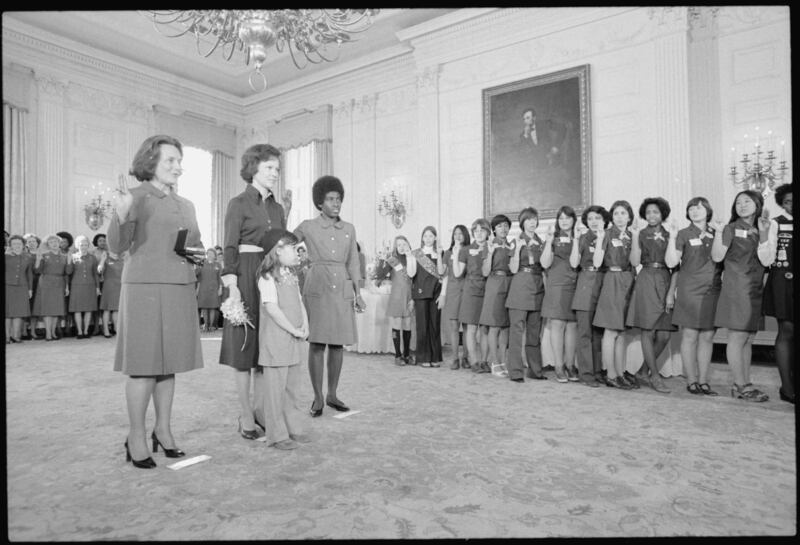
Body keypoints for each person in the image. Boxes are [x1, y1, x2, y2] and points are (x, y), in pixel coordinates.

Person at [109, 134, 204, 468]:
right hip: (144, 288)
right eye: (171, 161)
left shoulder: (187, 205)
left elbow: (194, 247)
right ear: (151, 162)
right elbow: (116, 247)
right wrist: (121, 215)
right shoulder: (133, 197)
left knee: (168, 365)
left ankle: (162, 430)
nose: (178, 167)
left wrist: (200, 259)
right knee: (144, 366)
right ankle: (136, 435)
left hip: (179, 288)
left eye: (180, 161)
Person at [219, 143, 291, 440]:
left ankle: (262, 412)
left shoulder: (277, 206)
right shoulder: (238, 203)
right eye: (269, 168)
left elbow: (281, 246)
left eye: (277, 168)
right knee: (243, 350)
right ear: (253, 169)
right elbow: (230, 246)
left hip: (269, 276)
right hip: (245, 276)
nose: (275, 173)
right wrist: (232, 287)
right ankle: (246, 415)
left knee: (266, 349)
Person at [294, 175, 365, 417]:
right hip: (318, 285)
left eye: (339, 199)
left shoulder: (349, 229)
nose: (336, 203)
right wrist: (286, 210)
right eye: (331, 199)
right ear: (319, 202)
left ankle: (332, 394)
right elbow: (285, 243)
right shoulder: (307, 226)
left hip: (342, 285)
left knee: (337, 344)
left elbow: (354, 262)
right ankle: (317, 397)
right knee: (317, 343)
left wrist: (358, 292)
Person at [712, 190, 773, 402]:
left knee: (748, 338)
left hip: (755, 287)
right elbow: (717, 256)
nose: (742, 205)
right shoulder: (731, 228)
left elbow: (767, 261)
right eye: (738, 202)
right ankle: (740, 384)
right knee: (737, 337)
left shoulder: (764, 227)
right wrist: (719, 234)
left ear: (758, 204)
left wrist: (764, 233)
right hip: (737, 287)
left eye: (747, 201)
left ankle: (745, 382)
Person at [256, 229, 311, 450]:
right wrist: (293, 329)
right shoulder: (267, 276)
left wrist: (305, 324)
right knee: (275, 391)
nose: (297, 251)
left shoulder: (291, 274)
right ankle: (277, 435)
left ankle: (294, 427)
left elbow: (299, 302)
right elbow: (272, 309)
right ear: (278, 250)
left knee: (292, 388)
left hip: (294, 339)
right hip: (277, 340)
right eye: (292, 247)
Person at [665, 196, 721, 397]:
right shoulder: (683, 233)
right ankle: (691, 381)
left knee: (707, 336)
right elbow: (672, 263)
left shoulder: (717, 232)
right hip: (689, 290)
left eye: (699, 208)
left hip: (712, 290)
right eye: (691, 208)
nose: (695, 211)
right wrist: (671, 237)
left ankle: (704, 381)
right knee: (689, 335)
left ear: (708, 210)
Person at [625, 197, 678, 393]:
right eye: (648, 212)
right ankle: (654, 377)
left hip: (665, 280)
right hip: (646, 279)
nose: (652, 215)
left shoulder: (671, 233)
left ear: (663, 213)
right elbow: (635, 261)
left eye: (655, 212)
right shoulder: (640, 233)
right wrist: (636, 238)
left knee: (664, 335)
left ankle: (642, 371)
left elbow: (677, 267)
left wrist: (671, 293)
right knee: (647, 331)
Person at [592, 200, 636, 390]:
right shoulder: (607, 234)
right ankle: (610, 374)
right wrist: (601, 239)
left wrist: (635, 238)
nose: (620, 217)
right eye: (616, 213)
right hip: (612, 279)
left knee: (622, 331)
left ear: (629, 216)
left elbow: (636, 260)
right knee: (610, 330)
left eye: (623, 213)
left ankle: (620, 372)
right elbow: (597, 262)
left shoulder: (632, 235)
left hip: (629, 279)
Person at [570, 205, 610, 387]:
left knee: (598, 333)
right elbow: (574, 262)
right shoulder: (582, 238)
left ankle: (597, 370)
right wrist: (575, 241)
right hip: (586, 283)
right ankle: (586, 374)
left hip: (604, 283)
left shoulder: (609, 237)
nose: (594, 222)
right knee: (585, 332)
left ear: (604, 220)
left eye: (598, 218)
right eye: (591, 218)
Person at [506, 207, 546, 382]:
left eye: (534, 219)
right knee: (516, 332)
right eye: (528, 219)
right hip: (520, 285)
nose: (532, 222)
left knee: (534, 332)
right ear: (522, 222)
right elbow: (513, 268)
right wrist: (517, 251)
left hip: (537, 286)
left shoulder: (541, 242)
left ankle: (535, 370)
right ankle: (515, 371)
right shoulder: (516, 241)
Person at [540, 205, 579, 383]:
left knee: (572, 326)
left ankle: (570, 365)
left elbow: (577, 262)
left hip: (575, 284)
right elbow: (545, 263)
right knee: (557, 325)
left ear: (573, 220)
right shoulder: (552, 238)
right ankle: (558, 366)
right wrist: (548, 242)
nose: (564, 221)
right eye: (561, 218)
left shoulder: (580, 238)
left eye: (568, 217)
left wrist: (577, 240)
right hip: (556, 284)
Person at [762, 183, 793, 403]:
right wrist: (763, 235)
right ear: (782, 203)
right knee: (787, 329)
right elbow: (766, 259)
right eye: (788, 201)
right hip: (784, 281)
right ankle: (787, 388)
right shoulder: (775, 224)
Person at [479, 215, 514, 376]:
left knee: (505, 326)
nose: (503, 229)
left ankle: (503, 361)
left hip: (510, 283)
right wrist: (491, 254)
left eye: (506, 225)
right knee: (494, 326)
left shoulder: (512, 244)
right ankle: (494, 363)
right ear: (494, 229)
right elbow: (485, 271)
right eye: (499, 226)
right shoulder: (489, 245)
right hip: (494, 283)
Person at [456, 219, 492, 372]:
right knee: (471, 328)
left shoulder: (492, 248)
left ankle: (484, 361)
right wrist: (456, 252)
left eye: (482, 231)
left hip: (487, 290)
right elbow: (458, 273)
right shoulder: (466, 250)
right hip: (470, 290)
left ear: (488, 233)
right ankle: (474, 362)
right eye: (476, 231)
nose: (479, 234)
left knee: (484, 328)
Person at [374, 235, 415, 366]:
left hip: (409, 297)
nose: (402, 247)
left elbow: (416, 279)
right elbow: (380, 274)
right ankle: (398, 355)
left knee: (408, 325)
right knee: (397, 325)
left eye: (404, 244)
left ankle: (407, 354)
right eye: (399, 245)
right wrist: (382, 259)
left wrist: (413, 298)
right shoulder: (393, 260)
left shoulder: (413, 258)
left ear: (408, 244)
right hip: (397, 297)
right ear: (395, 247)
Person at [409, 226, 445, 368]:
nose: (428, 239)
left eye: (431, 236)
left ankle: (435, 357)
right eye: (425, 236)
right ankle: (424, 357)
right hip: (420, 292)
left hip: (435, 292)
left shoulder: (440, 253)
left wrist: (441, 255)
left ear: (435, 237)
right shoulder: (417, 254)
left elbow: (442, 273)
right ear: (422, 238)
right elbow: (411, 275)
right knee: (422, 326)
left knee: (435, 325)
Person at [32, 234, 72, 341]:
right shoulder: (44, 255)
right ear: (48, 244)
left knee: (56, 310)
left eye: (56, 242)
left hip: (59, 283)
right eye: (51, 242)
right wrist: (38, 260)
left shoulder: (64, 256)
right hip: (46, 283)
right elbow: (37, 271)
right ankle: (48, 334)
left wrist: (69, 261)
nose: (54, 244)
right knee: (47, 310)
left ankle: (53, 332)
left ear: (59, 243)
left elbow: (68, 272)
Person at [441, 225, 470, 369]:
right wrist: (443, 294)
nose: (457, 236)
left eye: (460, 234)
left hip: (466, 290)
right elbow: (444, 275)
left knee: (466, 326)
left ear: (465, 235)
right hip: (452, 290)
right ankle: (454, 358)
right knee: (453, 325)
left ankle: (465, 357)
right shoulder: (447, 253)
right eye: (455, 234)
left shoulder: (470, 250)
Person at [67, 235, 100, 339]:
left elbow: (95, 273)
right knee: (77, 309)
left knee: (88, 309)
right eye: (81, 244)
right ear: (77, 245)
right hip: (76, 286)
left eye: (85, 244)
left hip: (90, 286)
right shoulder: (73, 257)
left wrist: (97, 287)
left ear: (88, 246)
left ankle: (86, 331)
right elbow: (68, 272)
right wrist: (68, 261)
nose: (83, 246)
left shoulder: (92, 257)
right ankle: (79, 332)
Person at [5, 235, 34, 343]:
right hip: (7, 286)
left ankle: (16, 336)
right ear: (10, 245)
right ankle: (7, 337)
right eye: (14, 244)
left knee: (19, 312)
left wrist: (30, 289)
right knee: (7, 313)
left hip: (22, 286)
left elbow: (29, 274)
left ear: (23, 245)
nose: (17, 246)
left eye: (19, 244)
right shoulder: (6, 256)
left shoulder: (28, 257)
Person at [98, 250, 124, 338]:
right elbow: (99, 270)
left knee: (116, 309)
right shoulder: (106, 258)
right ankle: (106, 330)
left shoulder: (123, 259)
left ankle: (117, 330)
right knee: (107, 309)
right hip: (109, 286)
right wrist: (102, 260)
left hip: (120, 286)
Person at [196, 248, 222, 332]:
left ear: (215, 255)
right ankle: (206, 325)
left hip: (214, 288)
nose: (210, 255)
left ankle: (211, 326)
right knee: (204, 307)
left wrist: (220, 288)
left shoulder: (218, 265)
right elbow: (197, 274)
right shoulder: (202, 263)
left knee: (212, 307)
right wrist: (198, 265)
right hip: (203, 288)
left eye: (212, 253)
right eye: (209, 253)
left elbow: (220, 277)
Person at [22, 233, 42, 340]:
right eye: (29, 242)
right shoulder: (23, 254)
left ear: (37, 243)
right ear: (26, 244)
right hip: (26, 282)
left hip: (39, 282)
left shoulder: (42, 254)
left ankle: (33, 331)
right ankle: (24, 331)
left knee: (35, 307)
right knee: (26, 306)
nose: (32, 243)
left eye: (33, 241)